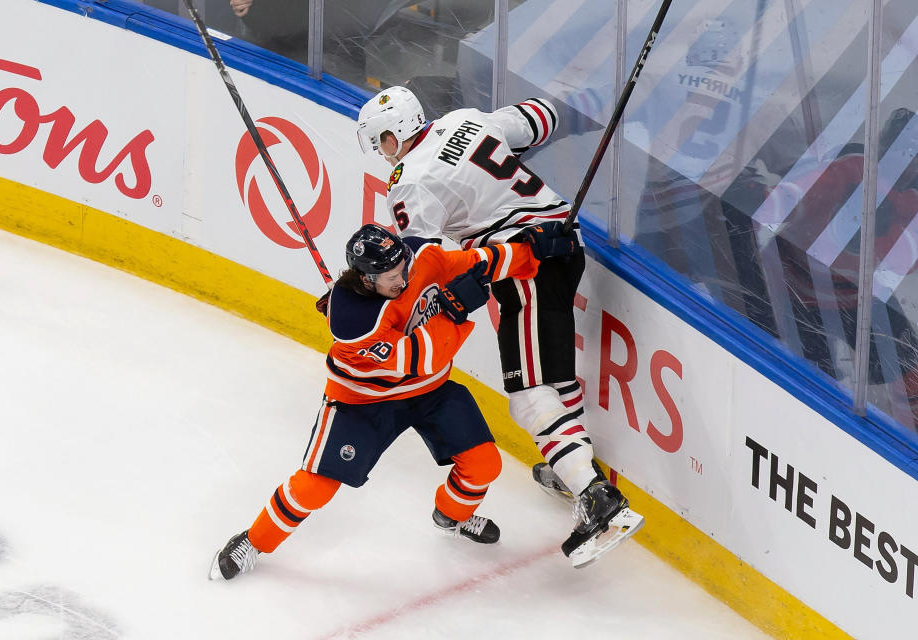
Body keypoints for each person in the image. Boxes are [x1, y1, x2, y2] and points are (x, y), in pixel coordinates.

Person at [356, 86, 638, 565]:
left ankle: (597, 499)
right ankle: (573, 469)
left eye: (381, 141)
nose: (382, 153)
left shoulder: (409, 182)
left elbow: (422, 264)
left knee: (528, 394)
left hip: (524, 261)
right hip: (564, 241)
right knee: (556, 375)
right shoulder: (465, 120)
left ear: (394, 133)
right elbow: (542, 117)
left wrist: (363, 292)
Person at [210, 222, 578, 580]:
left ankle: (452, 515)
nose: (403, 281)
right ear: (367, 279)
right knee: (314, 486)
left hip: (429, 391)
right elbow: (422, 357)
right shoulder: (354, 322)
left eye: (404, 269)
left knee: (484, 464)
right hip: (364, 401)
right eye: (392, 279)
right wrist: (453, 309)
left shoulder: (418, 256)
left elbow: (476, 263)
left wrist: (532, 250)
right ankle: (253, 541)